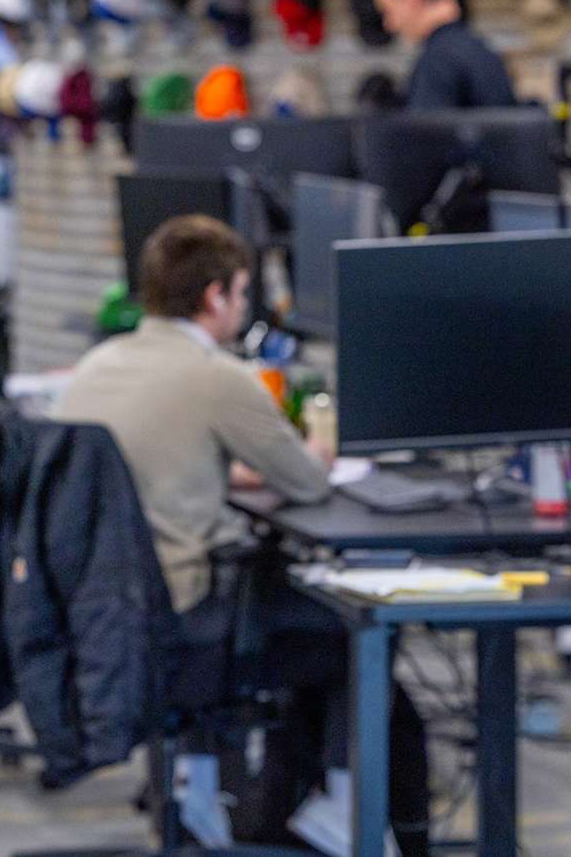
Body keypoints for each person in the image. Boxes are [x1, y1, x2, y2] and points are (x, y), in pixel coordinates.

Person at [52, 215, 428, 857]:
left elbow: (144, 470)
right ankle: (343, 811)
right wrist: (317, 444)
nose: (244, 306)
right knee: (359, 626)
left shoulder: (95, 367)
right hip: (179, 622)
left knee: (258, 596)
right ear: (215, 296)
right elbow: (307, 481)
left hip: (96, 621)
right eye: (244, 293)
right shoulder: (217, 377)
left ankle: (198, 794)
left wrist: (225, 471)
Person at [374, 0, 516, 111]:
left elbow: (426, 126)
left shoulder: (439, 59)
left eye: (388, 11)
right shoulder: (476, 47)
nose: (388, 24)